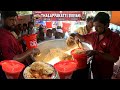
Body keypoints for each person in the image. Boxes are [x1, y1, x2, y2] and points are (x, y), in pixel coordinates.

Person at [67, 12, 120, 79]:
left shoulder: (115, 37)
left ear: (107, 25)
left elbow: (114, 58)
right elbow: (83, 38)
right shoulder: (94, 34)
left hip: (105, 72)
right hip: (95, 68)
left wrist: (96, 52)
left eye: (99, 26)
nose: (96, 29)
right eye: (95, 26)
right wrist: (74, 34)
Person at [0, 11, 40, 79]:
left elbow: (11, 45)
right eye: (11, 20)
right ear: (2, 19)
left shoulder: (7, 32)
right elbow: (13, 60)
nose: (14, 23)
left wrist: (21, 38)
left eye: (15, 20)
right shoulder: (3, 37)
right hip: (15, 73)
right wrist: (31, 51)